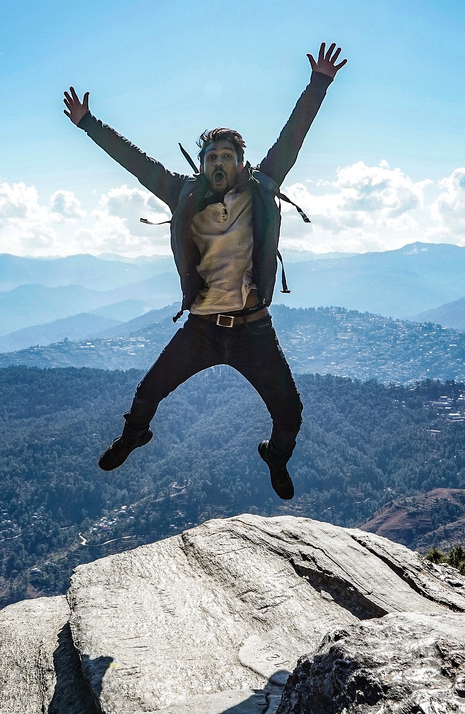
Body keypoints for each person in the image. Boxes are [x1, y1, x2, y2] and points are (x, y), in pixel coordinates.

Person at [63, 42, 347, 500]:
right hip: (201, 327)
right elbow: (136, 163)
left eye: (226, 157)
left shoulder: (262, 186)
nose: (218, 163)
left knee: (290, 414)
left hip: (253, 329)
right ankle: (136, 435)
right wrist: (88, 124)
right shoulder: (182, 194)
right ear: (202, 164)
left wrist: (319, 83)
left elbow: (292, 138)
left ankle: (275, 455)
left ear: (240, 163)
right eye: (211, 157)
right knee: (147, 392)